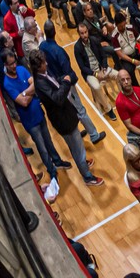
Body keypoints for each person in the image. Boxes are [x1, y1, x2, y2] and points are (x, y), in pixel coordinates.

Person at [31, 52, 105, 187]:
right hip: (63, 120)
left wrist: (61, 80)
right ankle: (87, 176)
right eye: (43, 63)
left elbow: (54, 84)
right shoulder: (40, 82)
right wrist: (66, 82)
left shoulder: (43, 75)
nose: (46, 64)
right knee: (78, 148)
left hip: (65, 115)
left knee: (75, 146)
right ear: (37, 66)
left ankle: (81, 163)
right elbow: (57, 98)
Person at [2, 52, 72, 188]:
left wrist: (24, 93)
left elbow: (34, 86)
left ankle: (57, 161)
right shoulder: (7, 83)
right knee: (42, 148)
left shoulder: (21, 69)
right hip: (30, 121)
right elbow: (23, 102)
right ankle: (51, 171)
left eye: (14, 62)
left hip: (39, 114)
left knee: (49, 142)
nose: (14, 65)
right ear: (5, 65)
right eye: (10, 64)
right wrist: (30, 92)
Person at [72, 22, 120, 120]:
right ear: (79, 34)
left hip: (101, 68)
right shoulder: (77, 48)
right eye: (82, 33)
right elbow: (82, 67)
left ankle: (124, 98)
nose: (84, 35)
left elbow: (103, 55)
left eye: (85, 32)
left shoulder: (94, 40)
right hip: (90, 73)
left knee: (118, 75)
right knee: (97, 87)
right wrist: (96, 73)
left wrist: (104, 68)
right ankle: (108, 109)